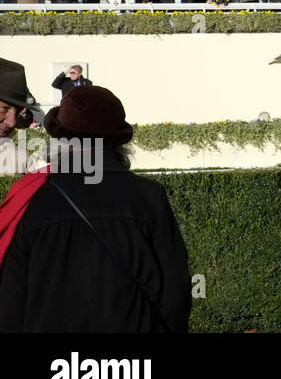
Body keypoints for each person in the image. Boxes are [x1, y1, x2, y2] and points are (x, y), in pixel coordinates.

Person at [0, 86, 192, 332]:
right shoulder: (149, 196)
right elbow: (175, 292)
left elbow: (13, 298)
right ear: (118, 139)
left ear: (61, 136)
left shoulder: (31, 197)